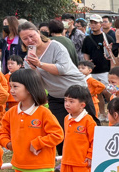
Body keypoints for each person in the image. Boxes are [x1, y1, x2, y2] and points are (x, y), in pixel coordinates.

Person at [18, 20, 87, 148]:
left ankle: (92, 154)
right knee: (59, 130)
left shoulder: (55, 46)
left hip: (77, 91)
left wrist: (40, 64)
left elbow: (62, 69)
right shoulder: (28, 59)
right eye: (25, 39)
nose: (30, 40)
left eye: (32, 36)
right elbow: (40, 83)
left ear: (38, 32)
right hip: (55, 96)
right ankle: (64, 156)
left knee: (85, 126)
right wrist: (33, 69)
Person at [60, 84, 97, 172]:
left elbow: (94, 140)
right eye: (65, 100)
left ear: (82, 105)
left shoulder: (88, 121)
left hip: (81, 162)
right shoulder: (66, 118)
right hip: (67, 160)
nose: (67, 104)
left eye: (71, 101)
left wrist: (90, 155)